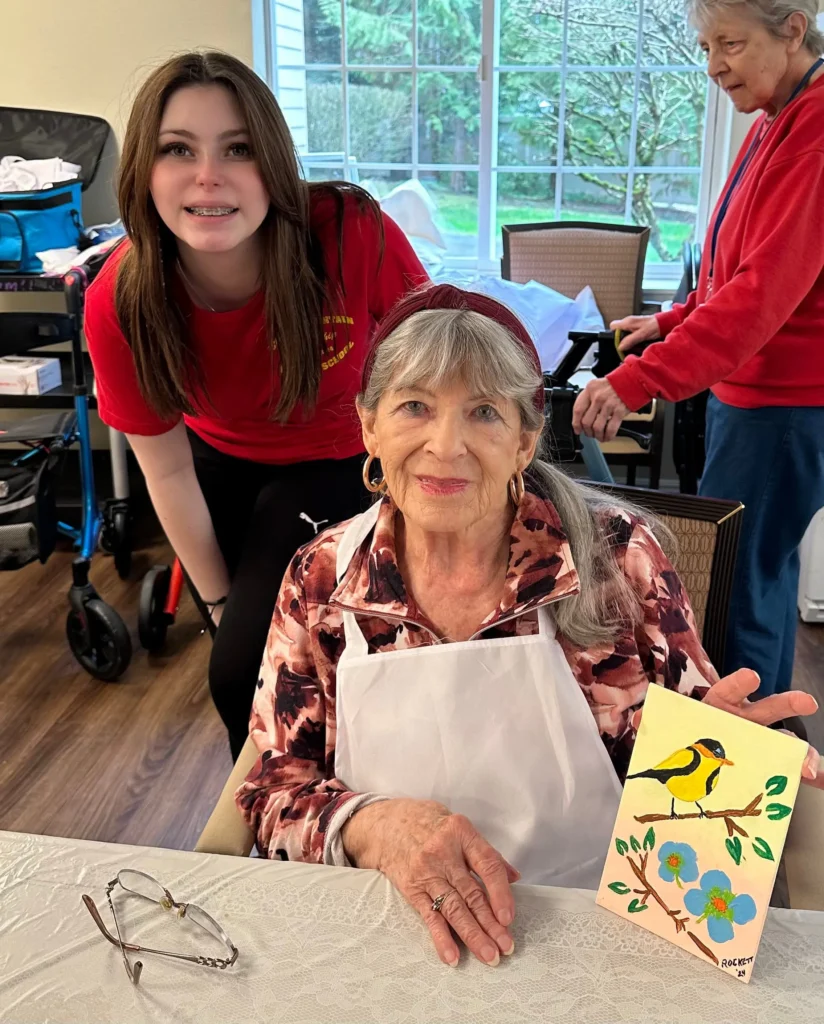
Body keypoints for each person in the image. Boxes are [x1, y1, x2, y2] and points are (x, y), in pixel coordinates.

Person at [235, 285, 822, 968]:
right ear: (370, 427)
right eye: (414, 406)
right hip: (388, 932)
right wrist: (368, 824)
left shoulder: (616, 561)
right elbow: (274, 784)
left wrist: (724, 762)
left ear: (524, 440)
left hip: (594, 937)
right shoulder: (323, 577)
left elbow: (689, 779)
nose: (445, 446)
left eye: (483, 411)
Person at [84, 52, 428, 759]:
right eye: (178, 150)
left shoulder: (347, 231)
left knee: (277, 667)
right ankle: (285, 830)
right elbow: (168, 470)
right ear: (144, 172)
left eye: (237, 149)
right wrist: (214, 605)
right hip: (219, 463)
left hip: (349, 457)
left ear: (272, 162)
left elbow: (433, 373)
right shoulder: (119, 299)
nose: (208, 176)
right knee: (245, 669)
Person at [572, 0, 824, 700]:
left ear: (793, 30)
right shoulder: (778, 116)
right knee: (749, 578)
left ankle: (751, 761)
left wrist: (637, 381)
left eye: (731, 44)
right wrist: (676, 318)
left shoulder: (816, 132)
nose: (714, 65)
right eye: (708, 45)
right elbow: (737, 269)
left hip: (783, 406)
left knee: (741, 590)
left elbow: (761, 298)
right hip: (754, 396)